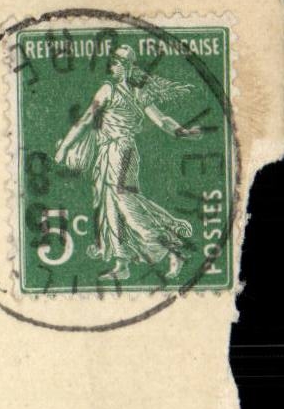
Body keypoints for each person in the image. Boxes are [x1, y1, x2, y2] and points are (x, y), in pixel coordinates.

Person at [54, 45, 202, 281]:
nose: (111, 66)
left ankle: (172, 245)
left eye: (115, 62)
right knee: (111, 204)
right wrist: (180, 131)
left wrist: (64, 147)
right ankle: (121, 264)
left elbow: (85, 120)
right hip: (110, 151)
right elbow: (161, 120)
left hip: (120, 150)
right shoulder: (127, 91)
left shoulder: (115, 90)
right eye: (112, 61)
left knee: (125, 200)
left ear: (124, 66)